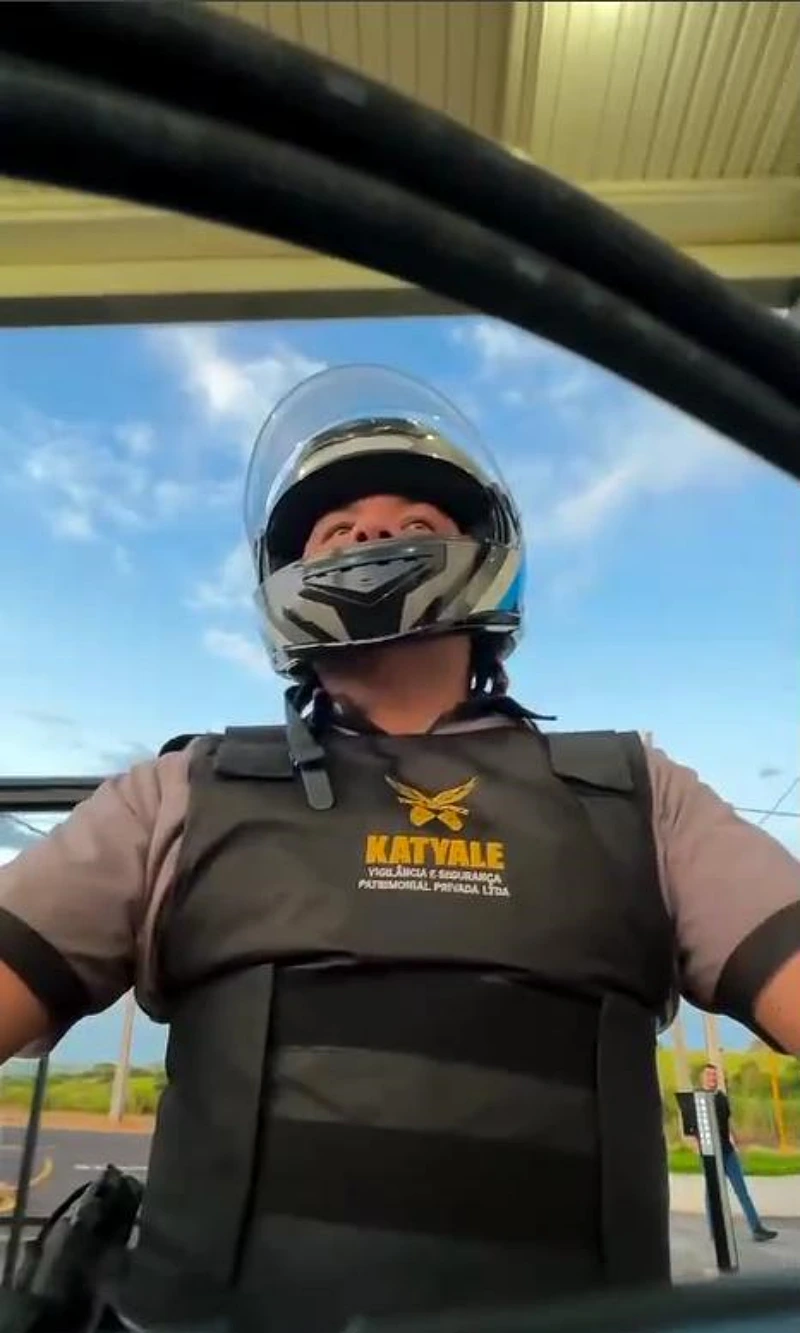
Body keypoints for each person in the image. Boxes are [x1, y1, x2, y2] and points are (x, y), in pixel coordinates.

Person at [0, 364, 799, 1333]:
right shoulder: (180, 792)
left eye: (412, 518)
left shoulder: (636, 793)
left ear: (484, 556)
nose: (369, 535)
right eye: (336, 528)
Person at [695, 1063, 778, 1243]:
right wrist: (699, 1149)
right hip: (710, 1155)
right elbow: (693, 1130)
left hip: (728, 1153)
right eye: (709, 1075)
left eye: (714, 1075)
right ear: (702, 1078)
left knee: (742, 1191)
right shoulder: (697, 1100)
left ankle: (757, 1229)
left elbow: (727, 1124)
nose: (712, 1078)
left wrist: (737, 1142)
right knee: (713, 1194)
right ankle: (715, 1231)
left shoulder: (722, 1098)